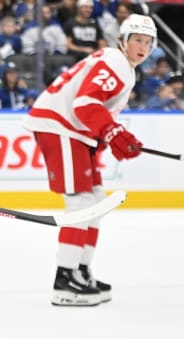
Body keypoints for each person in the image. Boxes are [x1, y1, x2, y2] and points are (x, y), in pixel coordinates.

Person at [22, 14, 155, 306]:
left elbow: (92, 110)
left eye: (148, 42)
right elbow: (86, 103)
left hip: (73, 131)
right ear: (123, 40)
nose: (142, 47)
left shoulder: (122, 66)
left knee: (95, 200)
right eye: (137, 39)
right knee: (81, 202)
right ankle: (65, 278)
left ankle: (80, 270)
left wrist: (110, 137)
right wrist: (112, 132)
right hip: (61, 126)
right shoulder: (117, 62)